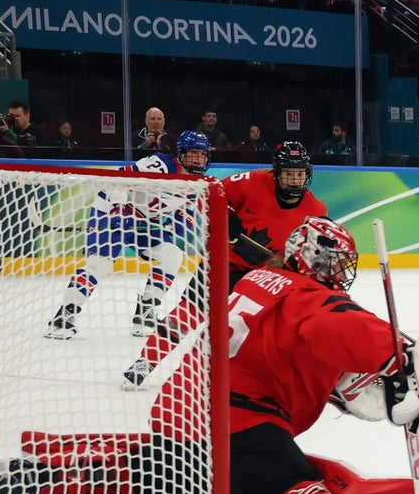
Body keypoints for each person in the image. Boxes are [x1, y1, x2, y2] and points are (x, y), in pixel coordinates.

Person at [153, 217, 419, 494]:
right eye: (332, 262)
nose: (338, 271)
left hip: (179, 411)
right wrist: (396, 354)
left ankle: (145, 475)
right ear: (307, 257)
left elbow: (296, 348)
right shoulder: (304, 294)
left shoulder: (260, 279)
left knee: (219, 477)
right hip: (232, 422)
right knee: (297, 488)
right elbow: (340, 324)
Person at [123, 142, 328, 385]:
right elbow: (210, 191)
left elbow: (313, 252)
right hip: (224, 264)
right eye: (288, 174)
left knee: (266, 333)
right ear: (275, 173)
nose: (295, 180)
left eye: (299, 174)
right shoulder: (250, 182)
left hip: (267, 280)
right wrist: (225, 214)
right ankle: (146, 361)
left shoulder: (316, 210)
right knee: (186, 314)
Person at [44, 131, 212, 340]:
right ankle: (64, 316)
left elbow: (183, 213)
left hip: (146, 222)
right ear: (180, 153)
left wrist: (173, 227)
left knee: (172, 256)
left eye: (201, 154)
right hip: (111, 209)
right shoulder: (160, 166)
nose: (197, 159)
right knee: (100, 263)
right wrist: (118, 209)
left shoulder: (197, 184)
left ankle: (145, 315)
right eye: (192, 153)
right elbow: (118, 178)